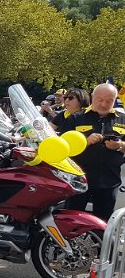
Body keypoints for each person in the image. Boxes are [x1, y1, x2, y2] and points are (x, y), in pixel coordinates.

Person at [57, 83, 124, 221]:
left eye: (109, 100)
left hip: (109, 181)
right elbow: (62, 146)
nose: (104, 104)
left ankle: (99, 236)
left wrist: (121, 145)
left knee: (103, 222)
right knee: (72, 219)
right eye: (100, 99)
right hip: (79, 179)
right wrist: (86, 142)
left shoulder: (122, 119)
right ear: (92, 97)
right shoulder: (76, 118)